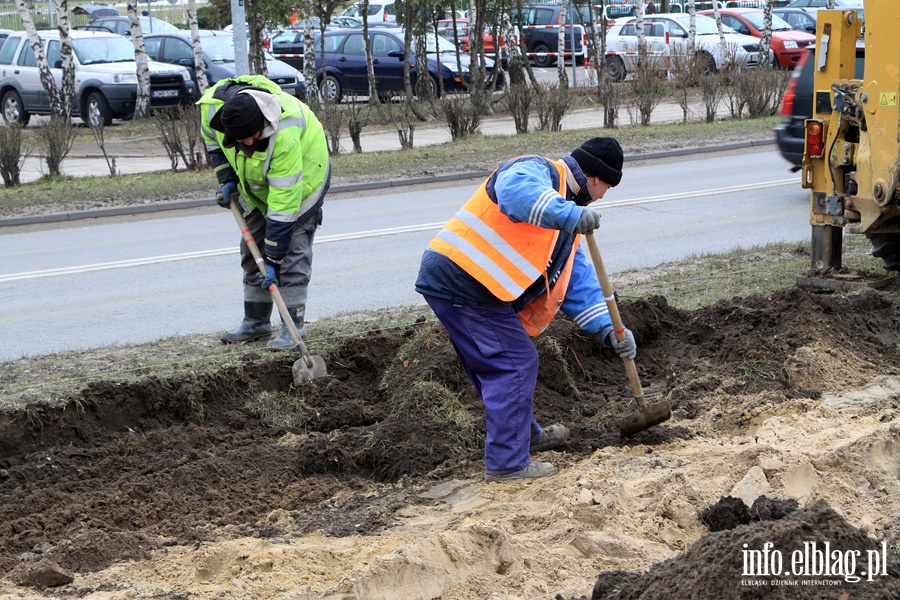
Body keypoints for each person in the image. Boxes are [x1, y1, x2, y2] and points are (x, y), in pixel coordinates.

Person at [415, 137, 637, 483]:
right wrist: (569, 213)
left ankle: (523, 436)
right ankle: (507, 464)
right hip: (465, 279)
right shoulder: (540, 171)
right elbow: (515, 193)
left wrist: (611, 328)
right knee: (515, 363)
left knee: (501, 362)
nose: (603, 196)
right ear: (595, 178)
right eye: (607, 187)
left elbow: (576, 280)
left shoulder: (566, 222)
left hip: (469, 284)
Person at [198, 75, 331, 349]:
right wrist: (227, 179)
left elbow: (283, 207)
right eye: (239, 139)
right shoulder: (212, 110)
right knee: (252, 248)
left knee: (291, 253)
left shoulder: (285, 132)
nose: (246, 143)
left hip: (302, 181)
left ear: (262, 123)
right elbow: (213, 143)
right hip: (255, 185)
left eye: (252, 137)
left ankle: (294, 327)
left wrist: (274, 259)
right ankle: (256, 323)